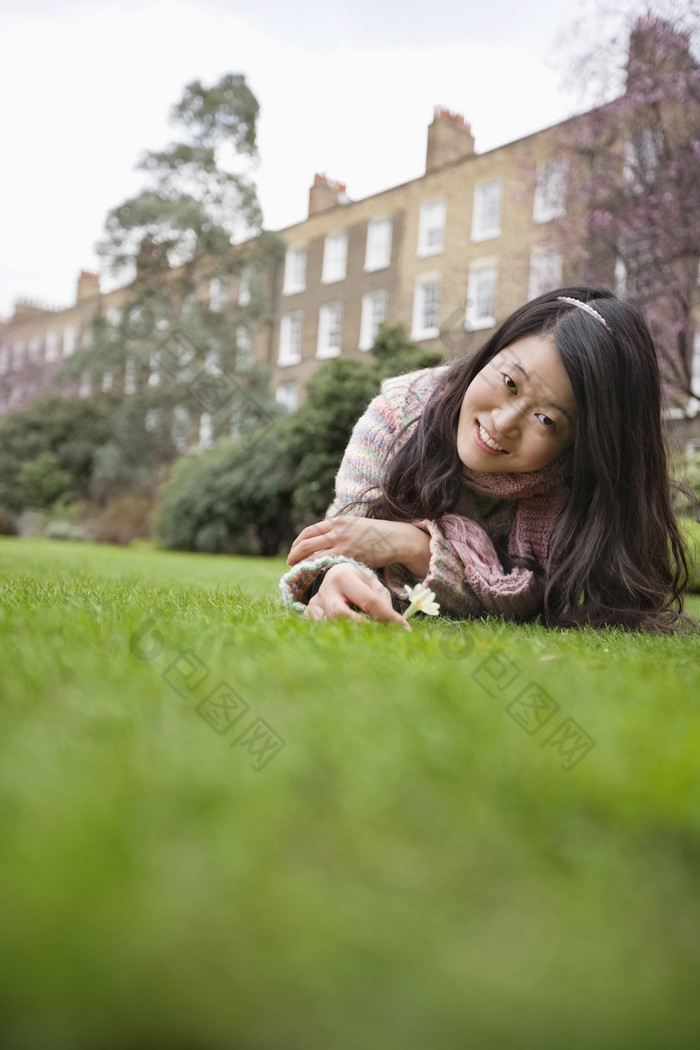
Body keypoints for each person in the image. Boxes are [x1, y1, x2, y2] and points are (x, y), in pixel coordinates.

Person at [280, 286, 692, 632]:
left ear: (580, 444)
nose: (504, 421)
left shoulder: (572, 491)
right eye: (509, 382)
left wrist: (410, 544)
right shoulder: (399, 414)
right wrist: (339, 575)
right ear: (491, 352)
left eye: (546, 419)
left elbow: (533, 594)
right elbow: (343, 534)